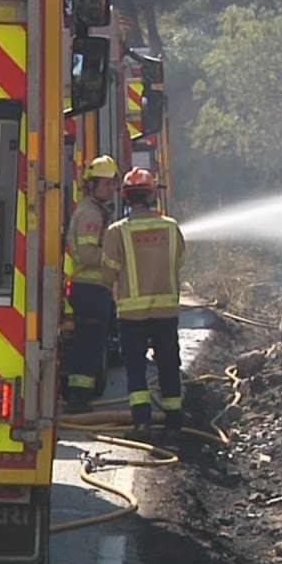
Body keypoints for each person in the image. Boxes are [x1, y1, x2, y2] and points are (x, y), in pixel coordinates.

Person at [101, 167, 187, 442]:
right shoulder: (171, 228)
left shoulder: (117, 232)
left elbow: (108, 272)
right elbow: (180, 260)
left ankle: (141, 424)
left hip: (131, 314)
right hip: (166, 311)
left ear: (126, 197)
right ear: (153, 194)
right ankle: (174, 423)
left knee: (135, 368)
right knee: (169, 364)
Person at [63, 155, 118, 414]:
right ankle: (78, 399)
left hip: (95, 289)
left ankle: (80, 395)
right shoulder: (90, 215)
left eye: (113, 184)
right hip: (91, 289)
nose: (112, 189)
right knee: (89, 344)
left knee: (93, 343)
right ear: (92, 185)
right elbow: (86, 255)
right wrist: (115, 259)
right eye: (106, 184)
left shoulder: (95, 211)